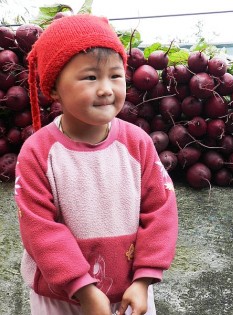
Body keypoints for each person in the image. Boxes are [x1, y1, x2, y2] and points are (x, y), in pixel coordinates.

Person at [14, 14, 178, 315]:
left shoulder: (137, 143)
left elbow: (160, 210)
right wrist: (83, 288)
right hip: (61, 296)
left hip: (131, 293)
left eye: (115, 76)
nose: (106, 89)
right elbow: (40, 228)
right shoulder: (37, 152)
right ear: (53, 88)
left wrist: (144, 280)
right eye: (90, 77)